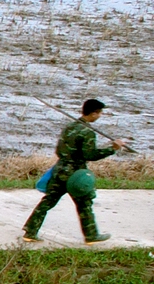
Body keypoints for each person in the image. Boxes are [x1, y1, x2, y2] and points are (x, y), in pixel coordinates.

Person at [23, 99, 121, 245]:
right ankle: (91, 235)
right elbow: (90, 155)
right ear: (93, 113)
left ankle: (30, 231)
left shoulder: (69, 127)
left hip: (60, 169)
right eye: (100, 113)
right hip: (75, 174)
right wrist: (112, 148)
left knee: (48, 201)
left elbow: (58, 150)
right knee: (84, 203)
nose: (100, 116)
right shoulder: (88, 132)